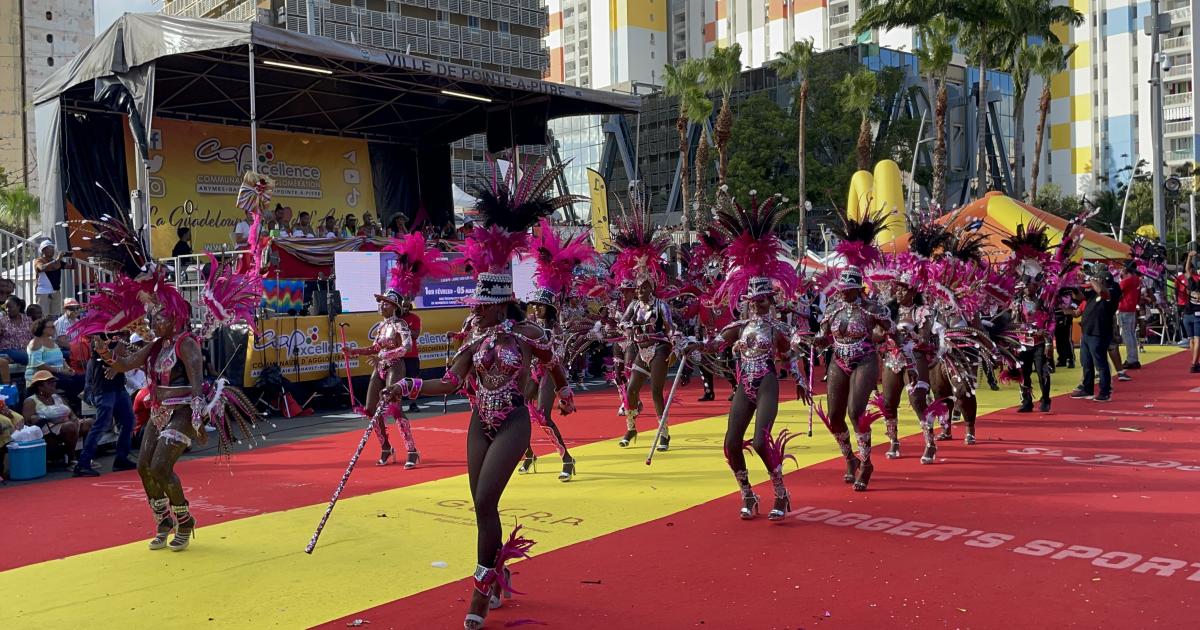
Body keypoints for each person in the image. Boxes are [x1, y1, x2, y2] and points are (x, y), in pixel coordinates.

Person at [384, 162, 575, 630]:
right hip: (478, 421)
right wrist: (406, 385)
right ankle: (497, 567)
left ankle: (480, 590)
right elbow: (451, 381)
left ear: (496, 302)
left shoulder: (524, 331)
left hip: (511, 419)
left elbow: (551, 359)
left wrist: (564, 386)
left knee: (487, 499)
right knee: (479, 505)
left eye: (479, 305)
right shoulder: (474, 333)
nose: (473, 311)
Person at [701, 192, 803, 520]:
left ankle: (780, 493)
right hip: (744, 383)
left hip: (767, 383)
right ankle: (748, 493)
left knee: (760, 442)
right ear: (746, 300)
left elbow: (789, 356)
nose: (757, 304)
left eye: (763, 300)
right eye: (753, 300)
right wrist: (690, 344)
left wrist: (800, 379)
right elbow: (715, 342)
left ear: (770, 301)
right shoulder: (739, 326)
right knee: (731, 444)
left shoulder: (776, 329)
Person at [345, 233, 451, 469]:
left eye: (384, 302)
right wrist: (355, 352)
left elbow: (406, 347)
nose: (380, 305)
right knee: (371, 409)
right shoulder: (383, 326)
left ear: (394, 306)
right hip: (381, 368)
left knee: (394, 408)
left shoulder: (402, 324)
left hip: (396, 367)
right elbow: (375, 347)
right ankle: (386, 447)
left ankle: (412, 450)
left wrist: (386, 355)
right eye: (380, 302)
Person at [73, 334, 136, 477]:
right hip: (103, 387)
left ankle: (121, 458)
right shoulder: (100, 334)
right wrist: (120, 362)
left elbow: (125, 353)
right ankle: (83, 463)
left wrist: (119, 366)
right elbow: (119, 352)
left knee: (128, 421)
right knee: (102, 424)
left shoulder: (119, 332)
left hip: (117, 386)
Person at [1070, 266, 1120, 402]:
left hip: (1099, 332)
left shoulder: (1112, 291)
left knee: (1100, 363)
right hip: (1087, 332)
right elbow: (1079, 296)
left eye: (1098, 279)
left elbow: (1102, 292)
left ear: (1103, 281)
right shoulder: (1094, 292)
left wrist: (1091, 280)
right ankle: (1087, 388)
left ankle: (1105, 391)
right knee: (1086, 362)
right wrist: (1072, 287)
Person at [22, 370, 92, 466]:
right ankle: (72, 459)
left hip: (66, 424)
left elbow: (71, 413)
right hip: (47, 429)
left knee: (89, 422)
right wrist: (40, 418)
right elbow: (28, 421)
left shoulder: (57, 397)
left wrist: (74, 419)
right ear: (40, 386)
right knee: (69, 426)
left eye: (54, 382)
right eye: (49, 383)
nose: (53, 385)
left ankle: (86, 457)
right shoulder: (31, 401)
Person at [27, 317, 85, 407]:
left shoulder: (53, 342)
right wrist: (60, 370)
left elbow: (61, 359)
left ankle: (83, 406)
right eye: (52, 327)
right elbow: (38, 364)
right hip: (43, 375)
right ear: (42, 329)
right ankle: (76, 406)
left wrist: (68, 368)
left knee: (82, 378)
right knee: (70, 382)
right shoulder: (35, 342)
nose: (55, 329)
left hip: (58, 372)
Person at [34, 240, 75, 313]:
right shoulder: (39, 260)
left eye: (53, 248)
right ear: (43, 250)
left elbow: (72, 267)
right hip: (43, 292)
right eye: (49, 248)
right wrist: (58, 259)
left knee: (55, 316)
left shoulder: (57, 261)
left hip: (56, 292)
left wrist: (73, 258)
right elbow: (42, 268)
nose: (52, 250)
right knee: (43, 316)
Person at [399, 300, 423, 414]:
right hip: (398, 356)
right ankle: (396, 406)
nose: (405, 309)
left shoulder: (415, 318)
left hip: (412, 355)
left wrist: (404, 328)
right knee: (396, 381)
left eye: (407, 306)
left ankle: (413, 404)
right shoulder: (395, 318)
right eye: (403, 306)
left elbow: (416, 335)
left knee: (414, 381)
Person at [1117, 263, 1142, 370]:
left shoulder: (1126, 281)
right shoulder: (1138, 280)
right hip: (1132, 309)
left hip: (1124, 308)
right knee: (1131, 335)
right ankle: (1134, 358)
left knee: (1127, 336)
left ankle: (1131, 359)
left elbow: (1117, 292)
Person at [0, 296, 33, 366]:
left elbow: (35, 336)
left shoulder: (28, 320)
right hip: (8, 351)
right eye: (6, 307)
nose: (7, 309)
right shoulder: (2, 321)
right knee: (30, 357)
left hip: (27, 350)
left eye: (10, 307)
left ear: (18, 306)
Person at [1182, 251, 1200, 372]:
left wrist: (1189, 256)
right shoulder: (1193, 282)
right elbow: (1188, 270)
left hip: (1187, 315)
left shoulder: (1191, 283)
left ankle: (1195, 362)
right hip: (1196, 315)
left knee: (1192, 340)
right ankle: (1194, 364)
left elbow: (1187, 269)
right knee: (1197, 339)